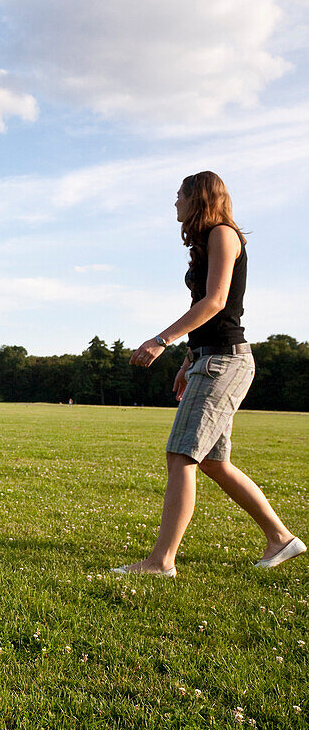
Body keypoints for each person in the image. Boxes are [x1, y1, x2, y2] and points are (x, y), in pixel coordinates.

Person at [114, 171, 303, 576]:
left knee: (181, 454)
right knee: (213, 462)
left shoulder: (223, 233)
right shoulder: (206, 242)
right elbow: (205, 313)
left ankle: (161, 561)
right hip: (209, 358)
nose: (175, 202)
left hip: (226, 361)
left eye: (179, 194)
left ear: (198, 197)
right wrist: (188, 359)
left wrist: (161, 340)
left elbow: (216, 302)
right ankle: (281, 539)